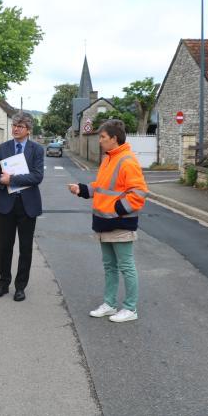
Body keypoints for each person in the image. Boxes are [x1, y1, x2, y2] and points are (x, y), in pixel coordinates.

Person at [67, 119, 148, 323]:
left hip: (119, 223)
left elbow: (139, 193)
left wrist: (117, 210)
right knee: (110, 267)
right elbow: (101, 187)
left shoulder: (127, 160)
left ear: (114, 138)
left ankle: (130, 308)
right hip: (104, 222)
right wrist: (82, 189)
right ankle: (110, 304)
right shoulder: (109, 159)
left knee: (126, 266)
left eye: (102, 137)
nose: (100, 141)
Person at [0, 111, 44, 302]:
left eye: (20, 126)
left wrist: (11, 179)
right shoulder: (3, 148)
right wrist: (1, 181)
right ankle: (3, 284)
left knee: (25, 248)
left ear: (28, 130)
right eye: (14, 125)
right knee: (5, 247)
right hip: (6, 204)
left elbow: (37, 176)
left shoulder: (37, 150)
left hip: (27, 205)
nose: (15, 128)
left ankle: (20, 287)